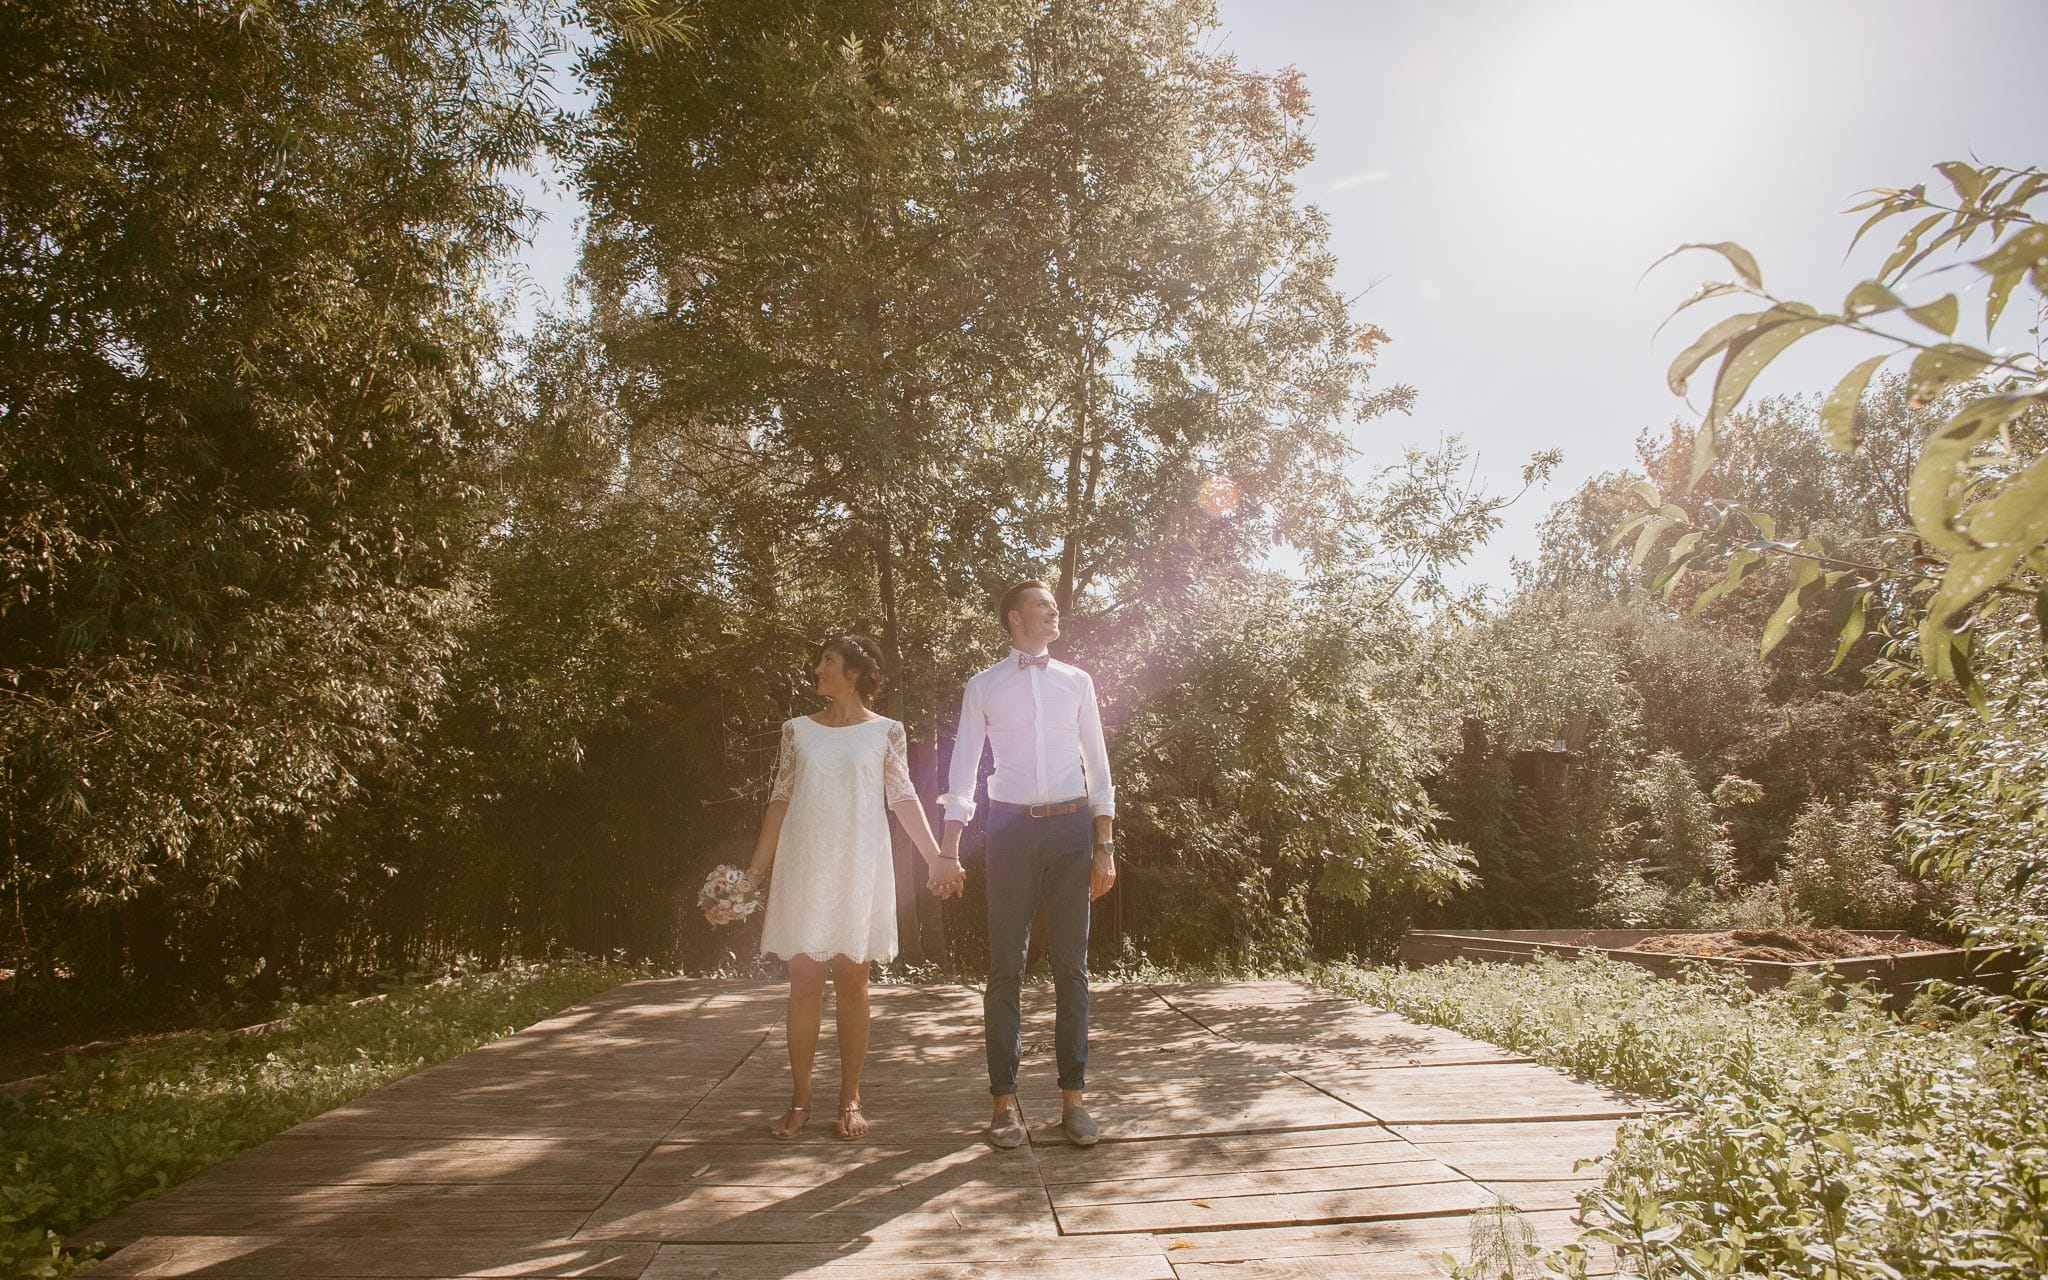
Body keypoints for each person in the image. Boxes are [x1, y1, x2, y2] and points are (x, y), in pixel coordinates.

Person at [745, 634, 966, 1139]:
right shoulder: (796, 731)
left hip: (858, 866)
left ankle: (849, 1099)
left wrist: (939, 859)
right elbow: (778, 802)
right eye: (819, 659)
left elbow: (904, 799)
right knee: (802, 984)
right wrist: (752, 876)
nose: (818, 668)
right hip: (805, 865)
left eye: (828, 660)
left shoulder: (886, 732)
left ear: (854, 673)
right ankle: (800, 1100)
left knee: (852, 982)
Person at [940, 581, 1117, 1150]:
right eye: (1043, 604)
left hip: (1070, 829)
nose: (1054, 610)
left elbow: (1098, 760)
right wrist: (949, 846)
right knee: (1005, 967)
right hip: (1010, 830)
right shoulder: (984, 685)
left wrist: (1104, 842)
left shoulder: (1077, 681)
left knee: (1072, 966)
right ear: (1015, 618)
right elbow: (964, 766)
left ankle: (1074, 1102)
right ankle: (1003, 1106)